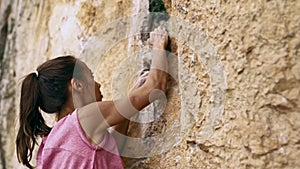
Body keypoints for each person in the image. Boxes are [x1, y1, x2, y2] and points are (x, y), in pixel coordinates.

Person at [15, 27, 169, 169]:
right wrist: (158, 45)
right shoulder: (84, 118)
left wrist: (130, 100)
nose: (99, 84)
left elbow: (109, 152)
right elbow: (155, 87)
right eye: (91, 76)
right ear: (78, 85)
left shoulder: (51, 143)